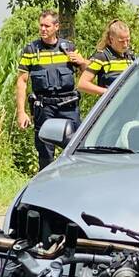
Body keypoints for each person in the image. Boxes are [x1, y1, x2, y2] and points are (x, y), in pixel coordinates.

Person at [15, 10, 88, 170]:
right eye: (41, 25)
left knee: (76, 148)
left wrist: (82, 62)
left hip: (68, 106)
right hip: (44, 108)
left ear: (56, 27)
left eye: (47, 26)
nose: (43, 29)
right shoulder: (31, 50)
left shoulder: (68, 47)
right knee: (45, 154)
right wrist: (21, 112)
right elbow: (21, 81)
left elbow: (87, 74)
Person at [78, 19, 135, 96]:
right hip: (110, 105)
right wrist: (108, 92)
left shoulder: (130, 56)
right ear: (111, 39)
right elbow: (82, 84)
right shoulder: (101, 57)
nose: (125, 44)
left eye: (127, 40)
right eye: (121, 41)